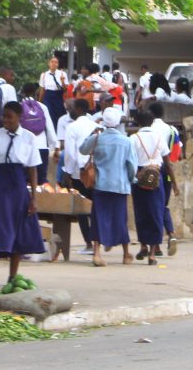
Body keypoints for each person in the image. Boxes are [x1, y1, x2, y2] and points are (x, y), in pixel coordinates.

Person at [0, 101, 44, 281]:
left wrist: (34, 198)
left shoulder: (29, 137)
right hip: (1, 184)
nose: (5, 120)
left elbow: (32, 169)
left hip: (19, 185)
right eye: (4, 116)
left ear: (19, 117)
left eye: (9, 116)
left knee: (18, 232)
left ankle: (12, 278)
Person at [80, 107, 137, 266]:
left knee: (99, 218)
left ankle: (97, 253)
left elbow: (82, 149)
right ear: (119, 122)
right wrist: (131, 180)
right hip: (120, 185)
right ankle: (126, 254)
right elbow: (131, 165)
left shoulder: (97, 138)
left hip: (101, 185)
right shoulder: (126, 141)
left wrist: (93, 133)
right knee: (120, 219)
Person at [130, 110, 172, 264]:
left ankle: (143, 246)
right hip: (156, 178)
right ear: (152, 122)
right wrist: (173, 181)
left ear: (138, 123)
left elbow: (130, 161)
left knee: (141, 214)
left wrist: (132, 178)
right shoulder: (159, 137)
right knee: (156, 214)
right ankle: (153, 254)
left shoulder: (133, 138)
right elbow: (167, 161)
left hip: (139, 178)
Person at [62, 99, 98, 253]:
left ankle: (89, 243)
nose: (70, 109)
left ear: (78, 109)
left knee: (82, 210)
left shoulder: (72, 127)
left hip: (79, 173)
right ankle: (97, 242)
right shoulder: (96, 125)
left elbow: (70, 153)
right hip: (95, 172)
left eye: (72, 107)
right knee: (95, 208)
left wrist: (67, 173)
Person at [148, 101, 181, 254]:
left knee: (152, 208)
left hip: (152, 171)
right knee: (163, 205)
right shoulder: (172, 130)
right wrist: (174, 182)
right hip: (167, 173)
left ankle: (157, 244)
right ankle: (171, 234)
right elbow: (177, 153)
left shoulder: (148, 130)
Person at [19, 82, 58, 186]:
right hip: (41, 148)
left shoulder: (18, 107)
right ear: (35, 92)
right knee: (41, 181)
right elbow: (49, 128)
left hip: (24, 148)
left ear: (22, 93)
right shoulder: (42, 107)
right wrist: (55, 146)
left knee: (24, 180)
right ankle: (40, 201)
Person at [38, 56, 69, 127]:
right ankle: (52, 131)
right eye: (52, 62)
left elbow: (65, 89)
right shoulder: (44, 75)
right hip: (48, 96)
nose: (54, 64)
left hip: (58, 95)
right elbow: (42, 89)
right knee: (49, 113)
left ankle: (58, 131)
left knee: (59, 113)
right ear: (49, 63)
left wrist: (62, 81)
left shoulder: (62, 74)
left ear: (58, 64)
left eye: (56, 62)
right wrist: (39, 102)